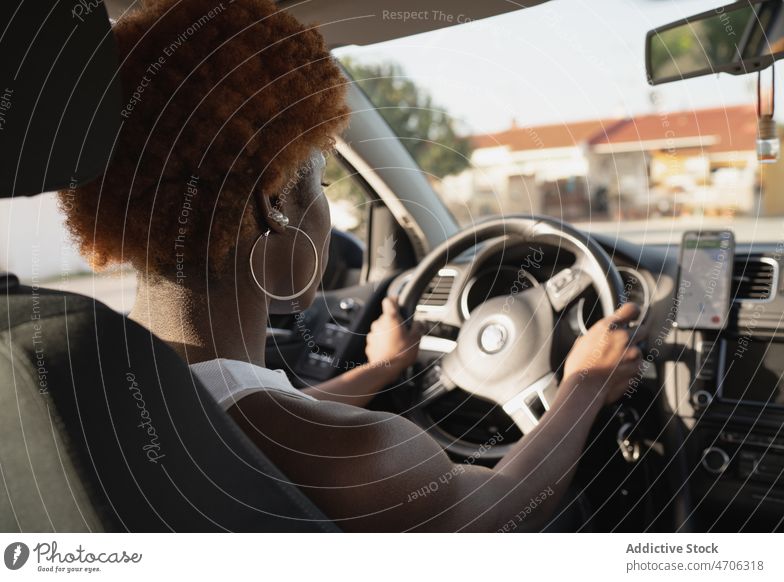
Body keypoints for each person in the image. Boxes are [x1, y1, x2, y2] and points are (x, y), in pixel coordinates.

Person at [60, 0, 643, 532]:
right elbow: (499, 513)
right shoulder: (355, 453)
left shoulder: (94, 385)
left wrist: (379, 370)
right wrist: (584, 387)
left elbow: (255, 430)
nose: (325, 210)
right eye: (320, 183)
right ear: (276, 205)